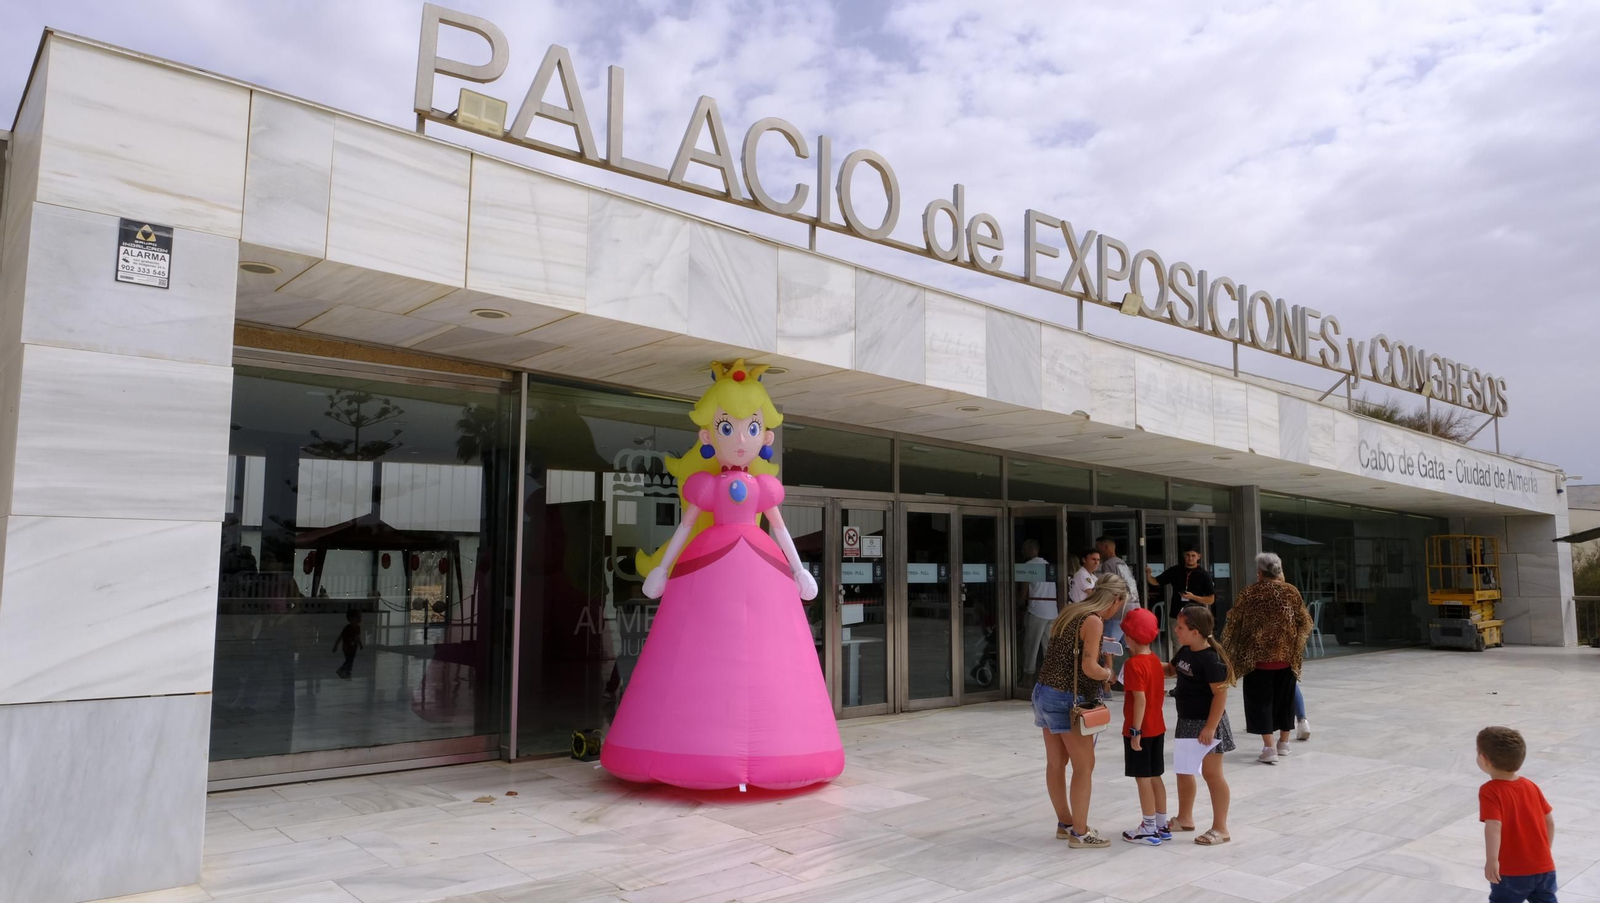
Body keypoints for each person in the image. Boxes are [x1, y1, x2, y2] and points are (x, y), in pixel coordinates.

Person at [602, 360, 843, 790]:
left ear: (765, 437)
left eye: (750, 428)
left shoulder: (764, 489)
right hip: (709, 562)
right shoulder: (707, 487)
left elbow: (781, 528)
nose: (739, 438)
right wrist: (661, 569)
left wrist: (800, 570)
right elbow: (682, 526)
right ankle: (682, 747)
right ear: (708, 435)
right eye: (727, 427)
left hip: (761, 561)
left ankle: (791, 748)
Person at [1033, 574, 1127, 850]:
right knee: (1084, 767)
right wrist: (1110, 674)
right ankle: (1081, 833)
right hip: (1068, 699)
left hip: (1043, 692)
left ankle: (1065, 823)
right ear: (1116, 599)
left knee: (1055, 763)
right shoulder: (1094, 620)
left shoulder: (1071, 611)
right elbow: (1089, 668)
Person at [1221, 552, 1314, 765]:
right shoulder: (1291, 591)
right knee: (1285, 700)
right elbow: (1306, 622)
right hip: (1286, 657)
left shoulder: (1250, 592)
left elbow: (1234, 620)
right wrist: (1294, 646)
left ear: (1260, 572)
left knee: (1260, 702)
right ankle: (1284, 744)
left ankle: (1268, 747)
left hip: (1258, 660)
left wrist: (1229, 648)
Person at [1166, 604, 1235, 846]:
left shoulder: (1211, 660)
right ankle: (1184, 818)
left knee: (1212, 774)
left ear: (1195, 632)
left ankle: (1221, 828)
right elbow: (1171, 670)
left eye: (1181, 627)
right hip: (1186, 721)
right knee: (1184, 771)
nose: (1176, 630)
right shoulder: (1185, 650)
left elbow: (1220, 695)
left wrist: (1210, 727)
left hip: (1208, 725)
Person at [1477, 726, 1556, 902]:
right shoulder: (1531, 786)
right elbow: (1549, 822)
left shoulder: (1490, 791)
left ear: (1484, 760)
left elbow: (1494, 825)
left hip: (1512, 871)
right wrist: (1544, 853)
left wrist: (1492, 860)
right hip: (1544, 867)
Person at [1117, 607, 1169, 846]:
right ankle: (1161, 823)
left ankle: (1148, 827)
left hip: (1141, 729)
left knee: (1142, 778)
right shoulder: (1156, 662)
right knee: (1156, 776)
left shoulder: (1132, 664)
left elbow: (1140, 699)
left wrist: (1135, 731)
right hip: (1158, 727)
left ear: (1128, 637)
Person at [1096, 537, 1139, 688]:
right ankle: (1138, 677)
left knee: (1107, 646)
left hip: (1118, 610)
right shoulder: (1122, 563)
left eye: (1099, 547)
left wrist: (1105, 610)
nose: (1098, 552)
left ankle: (1107, 685)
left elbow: (1110, 589)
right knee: (1130, 646)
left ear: (1107, 547)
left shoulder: (1108, 564)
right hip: (1133, 607)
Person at [1018, 539, 1058, 679]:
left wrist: (1018, 603)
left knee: (1031, 646)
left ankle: (1027, 678)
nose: (1022, 551)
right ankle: (1051, 677)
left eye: (1023, 548)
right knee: (1048, 647)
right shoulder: (1048, 565)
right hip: (1052, 611)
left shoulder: (1028, 565)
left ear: (1031, 549)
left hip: (1036, 610)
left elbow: (1024, 589)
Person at [332, 610, 363, 679]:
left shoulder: (358, 628)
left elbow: (357, 637)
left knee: (350, 661)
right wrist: (336, 645)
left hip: (354, 648)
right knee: (349, 661)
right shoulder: (347, 628)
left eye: (359, 618)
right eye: (357, 618)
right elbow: (341, 637)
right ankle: (345, 672)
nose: (359, 620)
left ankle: (345, 671)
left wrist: (360, 644)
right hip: (347, 648)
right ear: (351, 619)